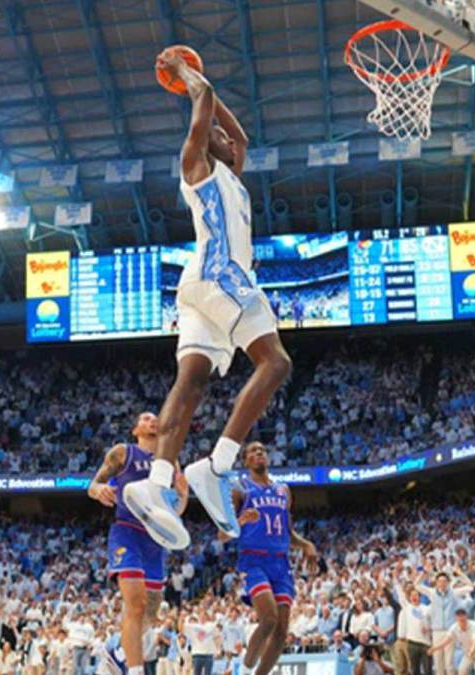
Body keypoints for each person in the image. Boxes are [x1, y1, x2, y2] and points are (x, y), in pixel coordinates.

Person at [123, 48, 292, 550]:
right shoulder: (195, 165)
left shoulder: (232, 178)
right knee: (276, 362)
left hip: (201, 286)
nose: (223, 138)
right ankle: (215, 466)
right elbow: (207, 98)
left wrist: (214, 107)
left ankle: (154, 485)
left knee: (191, 382)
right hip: (221, 273)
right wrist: (186, 75)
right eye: (212, 133)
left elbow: (239, 137)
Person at [89, 413, 188, 675]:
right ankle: (135, 670)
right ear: (136, 429)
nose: (152, 421)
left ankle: (115, 649)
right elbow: (93, 483)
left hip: (155, 537)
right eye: (145, 419)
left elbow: (176, 509)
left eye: (155, 418)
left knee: (151, 612)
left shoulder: (170, 460)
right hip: (127, 532)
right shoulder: (123, 453)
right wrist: (99, 490)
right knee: (136, 603)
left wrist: (184, 494)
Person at [224, 442, 318, 675]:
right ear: (246, 461)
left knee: (281, 631)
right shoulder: (239, 489)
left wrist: (306, 544)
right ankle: (244, 672)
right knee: (268, 619)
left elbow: (288, 532)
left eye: (262, 451)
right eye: (253, 452)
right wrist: (242, 520)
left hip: (280, 562)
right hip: (253, 560)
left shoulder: (283, 490)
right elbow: (222, 534)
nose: (259, 454)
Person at [418, 572, 474, 675]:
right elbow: (417, 585)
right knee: (438, 662)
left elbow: (471, 587)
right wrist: (423, 574)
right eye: (440, 581)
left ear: (448, 583)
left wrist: (460, 573)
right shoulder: (432, 593)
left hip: (450, 631)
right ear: (436, 583)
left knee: (449, 663)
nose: (442, 583)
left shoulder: (454, 592)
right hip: (437, 631)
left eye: (444, 581)